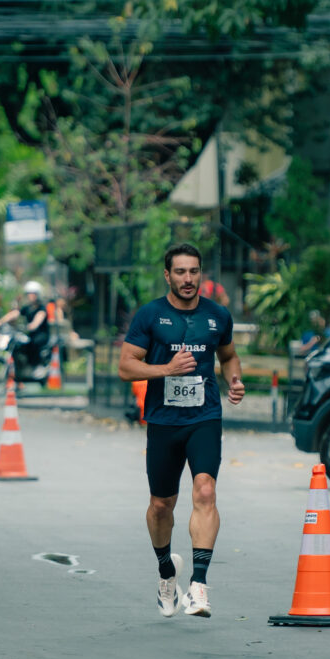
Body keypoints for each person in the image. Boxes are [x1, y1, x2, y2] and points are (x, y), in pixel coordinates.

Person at [118, 242, 245, 619]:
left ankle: (199, 586)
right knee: (161, 505)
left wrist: (234, 380)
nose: (188, 279)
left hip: (204, 417)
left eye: (193, 271)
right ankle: (165, 572)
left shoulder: (217, 315)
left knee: (205, 491)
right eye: (180, 272)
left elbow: (228, 356)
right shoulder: (151, 315)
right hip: (163, 421)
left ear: (200, 273)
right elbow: (126, 366)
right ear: (167, 275)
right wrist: (166, 370)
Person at [0, 281, 49, 379]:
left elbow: (38, 319)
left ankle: (37, 366)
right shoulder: (27, 308)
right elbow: (15, 313)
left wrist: (32, 325)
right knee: (18, 344)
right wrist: (1, 321)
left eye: (33, 294)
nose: (30, 296)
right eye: (29, 294)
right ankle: (18, 369)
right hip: (29, 333)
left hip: (40, 334)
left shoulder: (41, 308)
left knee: (34, 343)